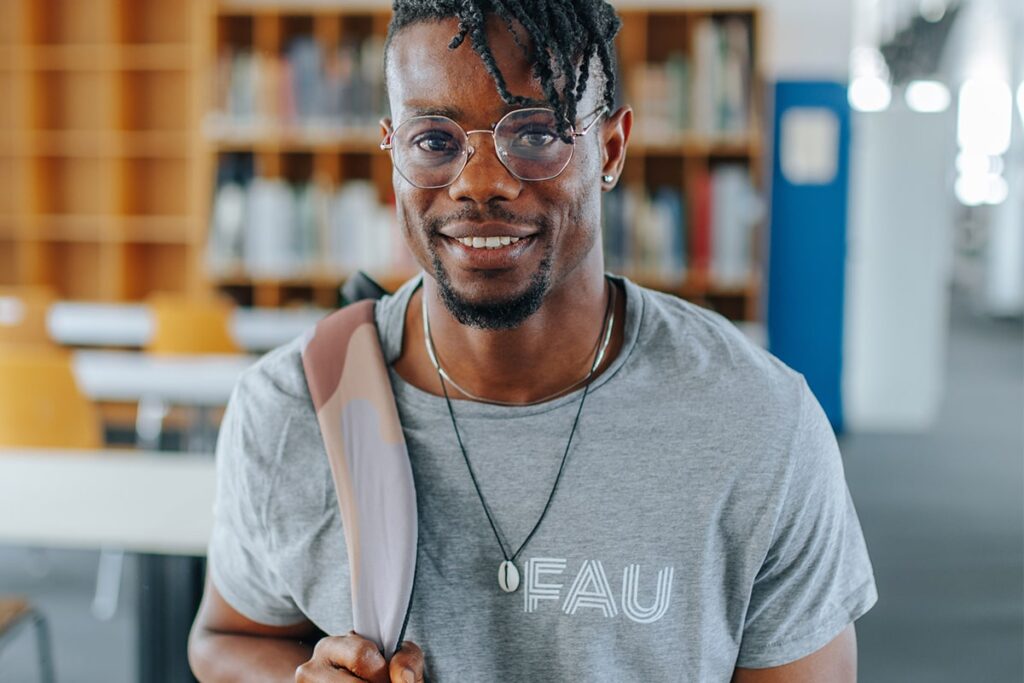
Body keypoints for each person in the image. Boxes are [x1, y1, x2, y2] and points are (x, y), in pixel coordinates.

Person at [188, 0, 877, 680]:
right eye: (433, 140)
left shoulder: (757, 422)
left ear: (610, 148)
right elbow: (225, 637)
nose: (480, 182)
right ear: (392, 150)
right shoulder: (291, 407)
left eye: (537, 133)